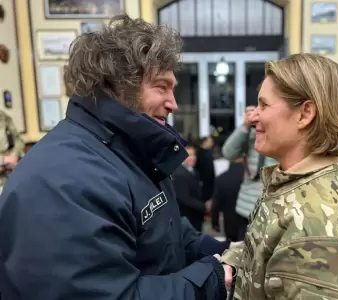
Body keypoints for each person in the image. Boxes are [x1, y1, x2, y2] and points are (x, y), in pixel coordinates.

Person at [0, 15, 230, 300]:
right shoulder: (64, 181)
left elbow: (165, 235)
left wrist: (223, 252)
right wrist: (211, 279)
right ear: (117, 86)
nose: (174, 103)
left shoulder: (131, 153)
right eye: (161, 87)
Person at [220, 53, 338, 299]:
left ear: (304, 114)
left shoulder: (323, 225)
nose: (254, 116)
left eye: (264, 105)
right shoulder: (288, 184)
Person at [222, 106, 277, 240]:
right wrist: (246, 125)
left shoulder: (283, 132)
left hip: (274, 211)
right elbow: (228, 152)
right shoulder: (253, 133)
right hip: (246, 209)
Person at [173, 142, 210, 231]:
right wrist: (204, 207)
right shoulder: (179, 174)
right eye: (189, 155)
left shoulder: (195, 172)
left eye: (194, 155)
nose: (193, 158)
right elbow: (184, 198)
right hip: (187, 219)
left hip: (195, 217)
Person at [0, 110, 24, 193]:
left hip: (7, 180)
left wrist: (14, 155)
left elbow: (18, 140)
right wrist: (3, 160)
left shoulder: (3, 117)